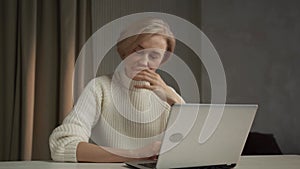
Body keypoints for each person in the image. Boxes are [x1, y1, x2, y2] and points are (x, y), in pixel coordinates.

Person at [49, 18, 185, 163]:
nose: (144, 62)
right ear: (125, 50)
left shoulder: (170, 96)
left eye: (153, 56)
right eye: (137, 51)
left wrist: (176, 101)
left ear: (162, 60)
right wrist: (135, 154)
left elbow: (195, 149)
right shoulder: (99, 88)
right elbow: (62, 146)